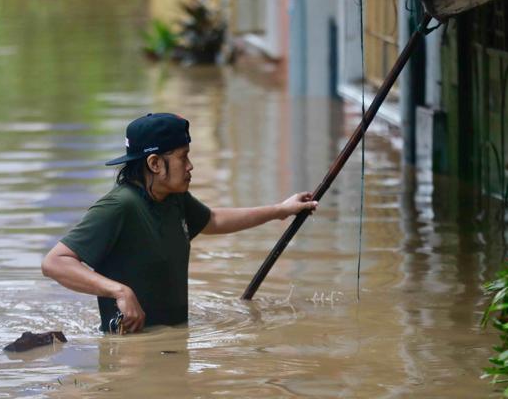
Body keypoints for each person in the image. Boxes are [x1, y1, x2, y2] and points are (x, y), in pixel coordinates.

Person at [41, 113, 317, 334]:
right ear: (155, 163)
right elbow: (55, 262)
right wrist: (119, 291)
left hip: (173, 341)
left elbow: (214, 220)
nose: (190, 166)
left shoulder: (174, 199)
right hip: (131, 353)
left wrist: (281, 210)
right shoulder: (120, 206)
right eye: (183, 157)